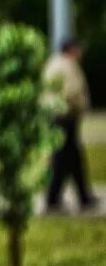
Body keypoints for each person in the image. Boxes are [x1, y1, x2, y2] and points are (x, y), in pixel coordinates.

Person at [43, 38, 99, 213]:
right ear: (72, 50)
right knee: (63, 159)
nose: (81, 54)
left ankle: (83, 196)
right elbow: (72, 91)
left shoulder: (53, 63)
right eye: (79, 50)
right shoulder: (68, 66)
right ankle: (53, 199)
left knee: (73, 159)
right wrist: (81, 107)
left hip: (55, 116)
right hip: (65, 116)